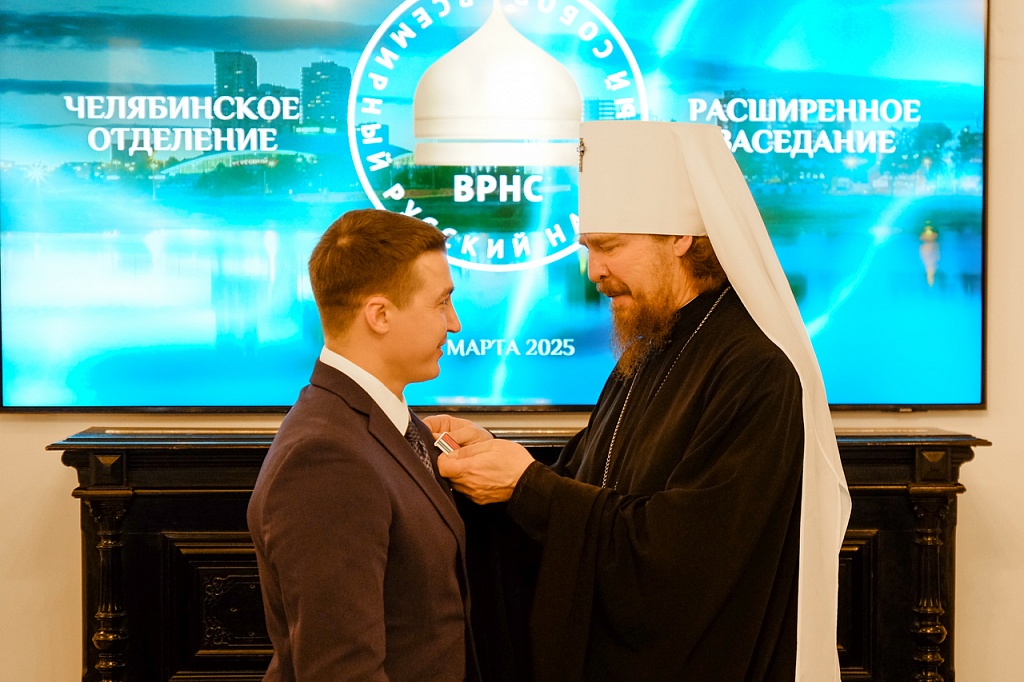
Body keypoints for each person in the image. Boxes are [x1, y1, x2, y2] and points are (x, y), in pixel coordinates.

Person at [426, 121, 851, 681]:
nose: (594, 271)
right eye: (588, 248)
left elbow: (685, 560)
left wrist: (527, 486)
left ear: (680, 238)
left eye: (609, 247)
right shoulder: (653, 345)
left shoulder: (755, 371)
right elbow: (587, 479)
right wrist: (494, 458)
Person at [247, 208, 478, 681]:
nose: (454, 323)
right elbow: (341, 670)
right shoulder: (326, 460)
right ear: (380, 315)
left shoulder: (385, 424)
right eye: (441, 303)